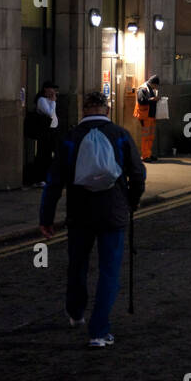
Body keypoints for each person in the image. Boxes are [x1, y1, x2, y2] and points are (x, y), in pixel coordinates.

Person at [39, 91, 146, 348]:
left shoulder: (71, 138)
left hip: (79, 212)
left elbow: (53, 182)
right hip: (113, 212)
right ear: (107, 110)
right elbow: (138, 174)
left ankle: (76, 313)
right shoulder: (120, 135)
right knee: (109, 271)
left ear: (83, 110)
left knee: (77, 265)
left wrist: (46, 218)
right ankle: (99, 332)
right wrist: (131, 202)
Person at [31, 81, 60, 188]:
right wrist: (53, 102)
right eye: (52, 89)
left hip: (53, 130)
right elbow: (49, 113)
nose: (54, 92)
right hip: (45, 131)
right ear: (46, 89)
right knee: (43, 154)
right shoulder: (42, 100)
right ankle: (39, 178)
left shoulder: (49, 100)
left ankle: (49, 176)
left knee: (52, 154)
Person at [134, 75, 160, 162]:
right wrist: (152, 99)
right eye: (156, 85)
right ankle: (145, 156)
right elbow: (141, 101)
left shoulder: (150, 89)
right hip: (145, 116)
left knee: (150, 136)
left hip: (150, 116)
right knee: (146, 137)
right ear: (153, 83)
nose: (156, 87)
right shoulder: (143, 89)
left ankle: (148, 153)